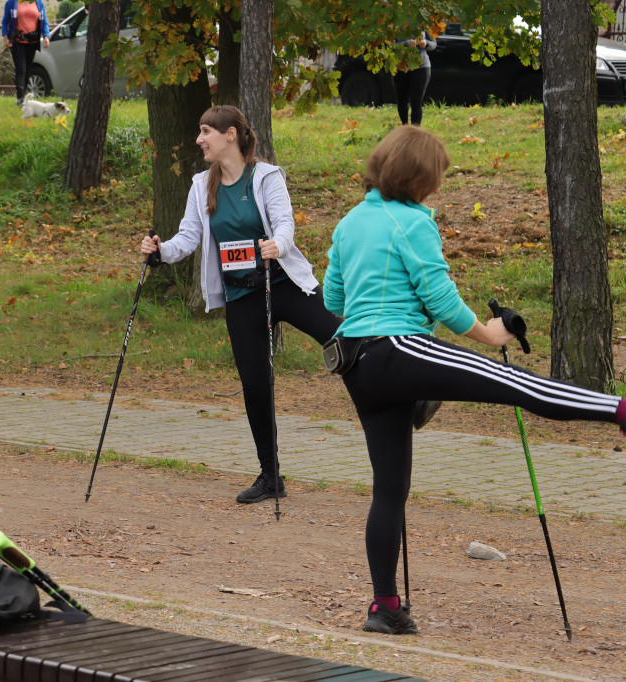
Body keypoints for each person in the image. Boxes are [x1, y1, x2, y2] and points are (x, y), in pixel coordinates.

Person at [322, 125, 626, 635]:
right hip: (399, 348)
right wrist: (491, 333)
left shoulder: (350, 221)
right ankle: (618, 410)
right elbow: (440, 298)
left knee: (389, 489)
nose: (436, 188)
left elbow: (334, 299)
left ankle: (385, 607)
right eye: (434, 177)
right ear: (418, 176)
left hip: (357, 366)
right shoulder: (412, 221)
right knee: (515, 385)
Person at [140, 105, 342, 505]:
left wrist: (277, 245)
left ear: (230, 134)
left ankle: (405, 393)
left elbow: (284, 223)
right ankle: (271, 477)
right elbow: (188, 238)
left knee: (344, 340)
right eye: (200, 132)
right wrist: (160, 252)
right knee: (255, 385)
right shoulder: (202, 185)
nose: (199, 140)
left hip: (282, 283)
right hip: (242, 296)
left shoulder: (266, 176)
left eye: (205, 132)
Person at [1, 0, 50, 105]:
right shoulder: (12, 3)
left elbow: (44, 21)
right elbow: (5, 21)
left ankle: (23, 95)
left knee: (28, 70)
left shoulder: (38, 3)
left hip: (33, 41)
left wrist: (46, 36)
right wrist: (5, 36)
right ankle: (20, 98)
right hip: (18, 42)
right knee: (21, 69)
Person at [392, 31, 436, 126]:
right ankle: (405, 126)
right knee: (402, 102)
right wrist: (406, 44)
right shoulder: (395, 21)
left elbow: (434, 44)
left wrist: (426, 43)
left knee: (416, 101)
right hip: (401, 67)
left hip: (421, 66)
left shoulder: (423, 19)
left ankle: (415, 132)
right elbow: (389, 46)